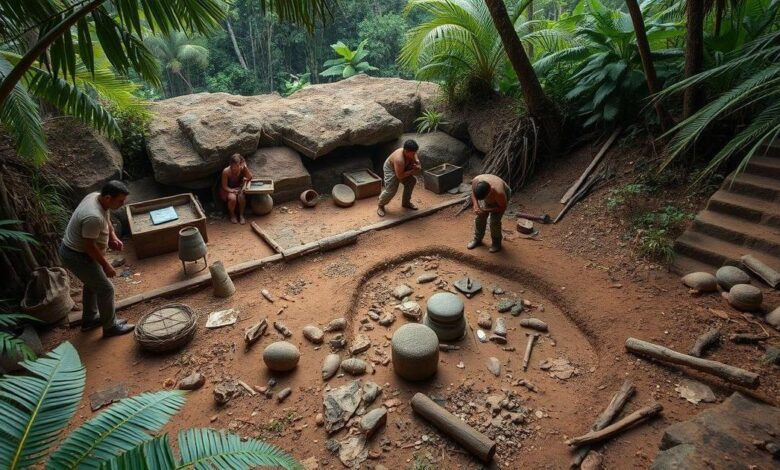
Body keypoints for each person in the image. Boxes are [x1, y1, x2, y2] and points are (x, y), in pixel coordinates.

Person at [59, 181, 134, 337]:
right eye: (120, 201)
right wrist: (106, 265)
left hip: (80, 252)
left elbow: (106, 217)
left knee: (92, 284)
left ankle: (90, 319)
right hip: (77, 255)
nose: (123, 204)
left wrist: (112, 236)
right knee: (106, 289)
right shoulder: (93, 216)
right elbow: (89, 246)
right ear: (108, 198)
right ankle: (110, 327)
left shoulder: (96, 197)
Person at [377, 139, 421, 217]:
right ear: (406, 151)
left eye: (415, 152)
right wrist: (412, 171)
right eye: (413, 153)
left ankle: (406, 203)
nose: (414, 154)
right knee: (391, 190)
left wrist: (417, 163)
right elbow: (400, 176)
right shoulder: (399, 160)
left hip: (401, 168)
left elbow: (416, 158)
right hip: (391, 169)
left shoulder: (411, 152)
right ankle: (381, 204)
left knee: (411, 181)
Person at [467, 174, 510, 253]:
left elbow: (502, 207)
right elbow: (473, 193)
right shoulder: (476, 181)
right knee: (480, 217)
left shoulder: (499, 192)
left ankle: (496, 243)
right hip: (488, 194)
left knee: (494, 222)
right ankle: (477, 239)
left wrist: (486, 210)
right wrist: (476, 205)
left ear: (490, 191)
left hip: (501, 199)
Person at [220, 153, 253, 224]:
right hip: (228, 189)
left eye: (237, 166)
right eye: (233, 166)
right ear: (230, 164)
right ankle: (232, 215)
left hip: (238, 188)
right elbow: (224, 186)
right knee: (232, 198)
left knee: (241, 197)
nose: (234, 168)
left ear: (240, 164)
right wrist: (232, 190)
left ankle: (241, 215)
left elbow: (250, 177)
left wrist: (245, 167)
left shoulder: (242, 168)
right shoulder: (226, 171)